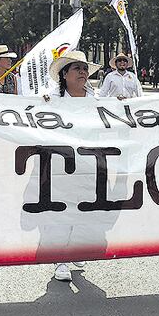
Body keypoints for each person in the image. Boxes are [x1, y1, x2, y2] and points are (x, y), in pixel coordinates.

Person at [42, 50, 100, 280]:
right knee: (62, 212)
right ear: (65, 74)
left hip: (89, 162)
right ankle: (60, 260)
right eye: (77, 68)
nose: (83, 73)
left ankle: (74, 250)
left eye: (85, 69)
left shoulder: (96, 98)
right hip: (60, 164)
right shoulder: (51, 100)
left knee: (83, 210)